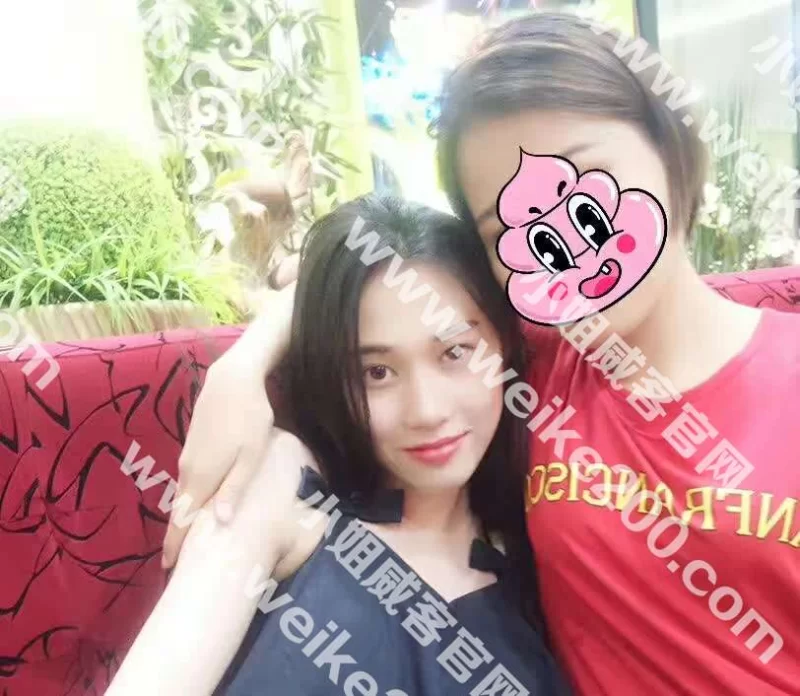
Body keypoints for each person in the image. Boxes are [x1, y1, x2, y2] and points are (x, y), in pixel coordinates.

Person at [163, 12, 800, 696]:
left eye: (590, 186)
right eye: (512, 229)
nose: (566, 245)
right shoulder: (527, 365)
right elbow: (382, 272)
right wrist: (243, 365)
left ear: (670, 153)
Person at [107, 194, 569, 695]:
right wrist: (243, 365)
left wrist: (247, 358)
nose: (426, 411)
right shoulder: (287, 492)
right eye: (376, 372)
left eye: (455, 353)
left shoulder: (548, 541)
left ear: (505, 345)